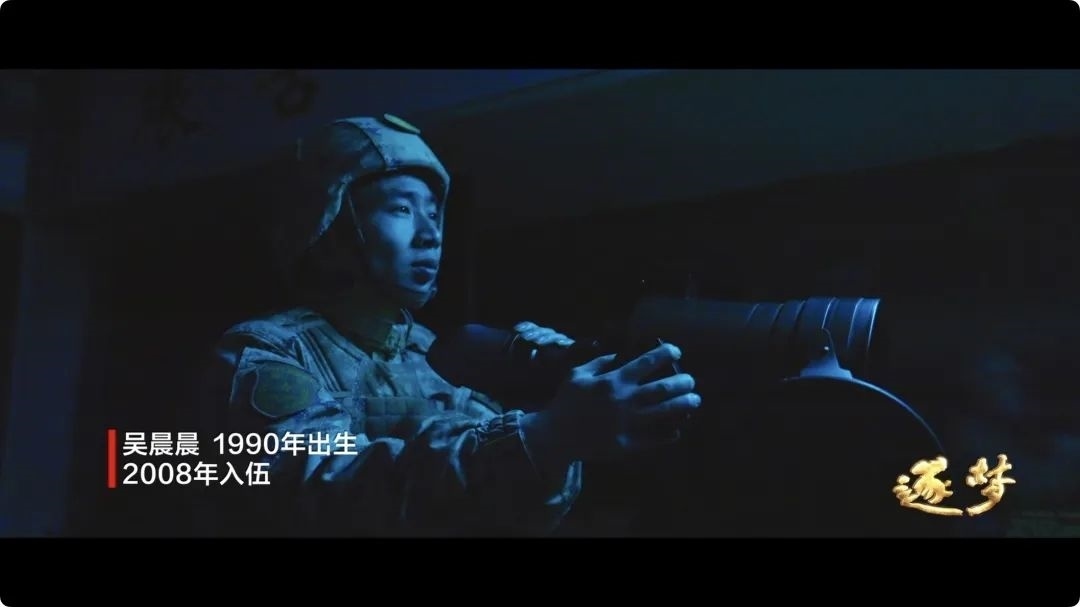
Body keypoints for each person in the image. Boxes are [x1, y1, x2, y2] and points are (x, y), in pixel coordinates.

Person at [197, 114, 701, 537]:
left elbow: (519, 511)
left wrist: (549, 403)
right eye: (401, 209)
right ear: (330, 228)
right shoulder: (270, 350)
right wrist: (545, 436)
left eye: (434, 214)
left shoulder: (437, 352)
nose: (430, 234)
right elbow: (317, 489)